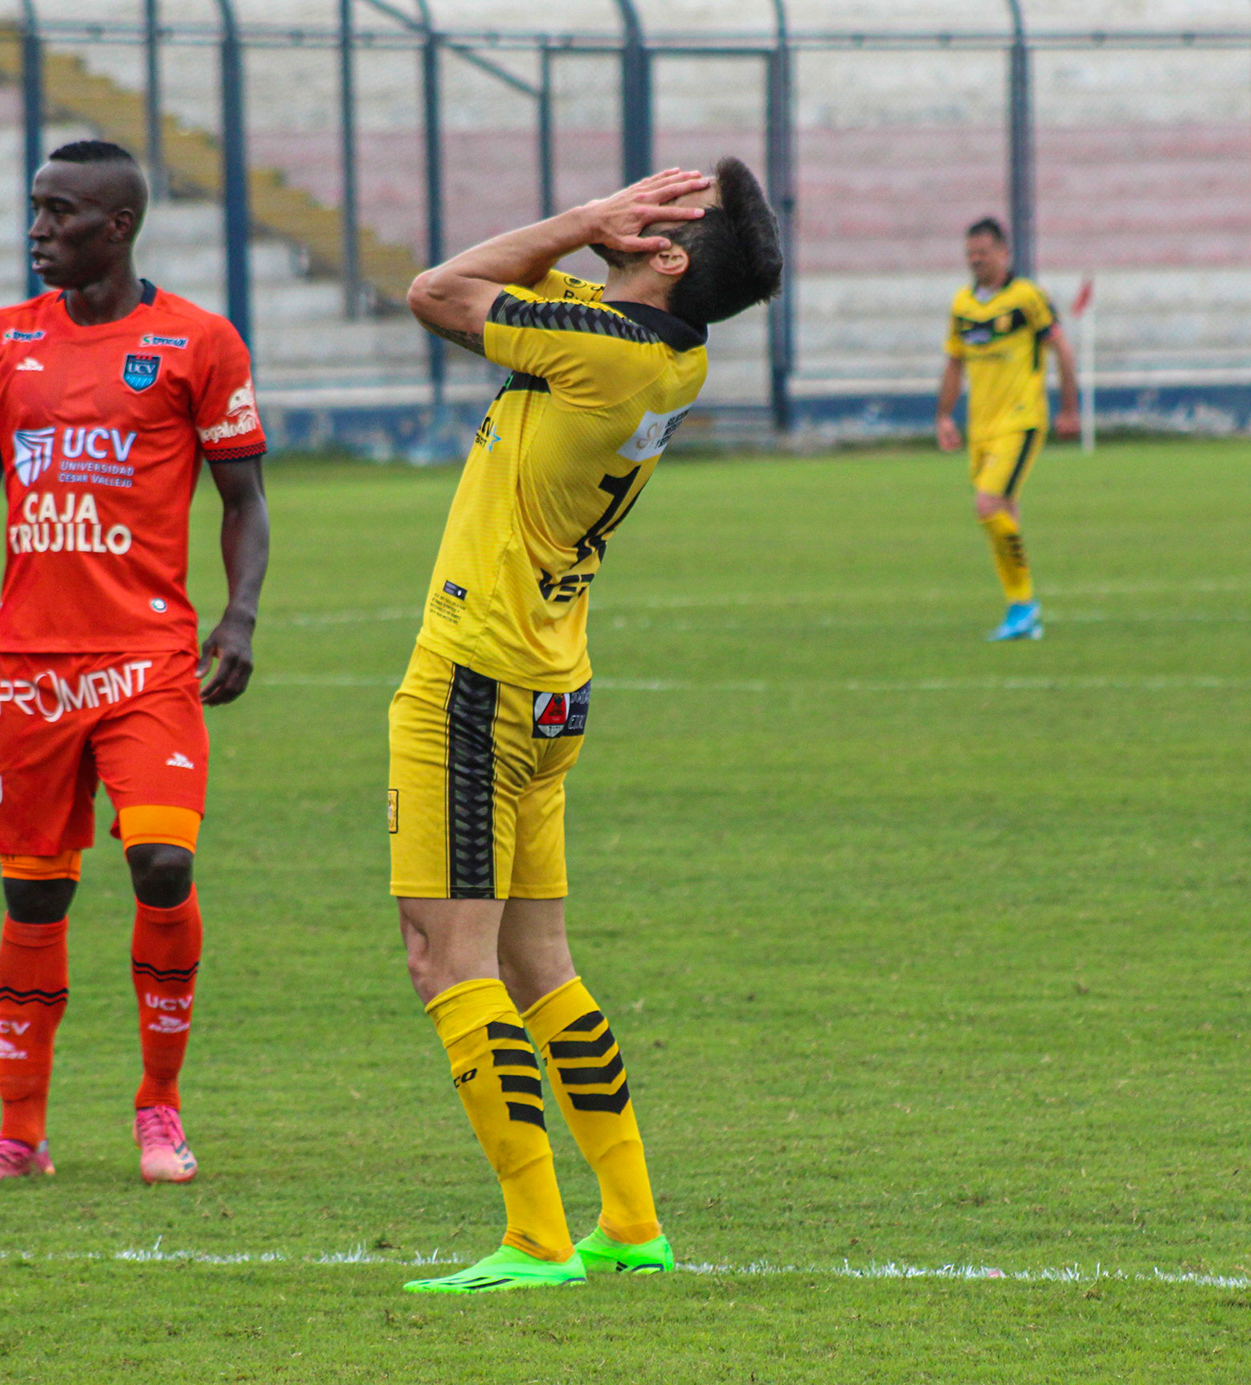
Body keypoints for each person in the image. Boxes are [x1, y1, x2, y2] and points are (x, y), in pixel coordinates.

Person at [387, 160, 781, 1293]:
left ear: (670, 256)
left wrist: (578, 221)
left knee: (447, 960)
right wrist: (599, 235)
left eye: (673, 211)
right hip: (551, 680)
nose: (646, 202)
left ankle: (535, 1237)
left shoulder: (601, 347)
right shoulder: (662, 348)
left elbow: (433, 290)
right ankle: (630, 1219)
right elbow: (496, 292)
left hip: (477, 678)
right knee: (538, 961)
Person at [0, 140, 270, 1188]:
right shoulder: (1, 341)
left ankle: (159, 1107)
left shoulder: (198, 342)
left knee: (163, 862)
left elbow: (245, 499)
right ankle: (20, 1132)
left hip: (147, 657)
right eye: (35, 209)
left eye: (58, 212)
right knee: (34, 900)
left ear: (116, 226)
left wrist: (239, 618)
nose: (37, 229)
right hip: (32, 666)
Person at [934, 217, 1080, 642]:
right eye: (970, 253)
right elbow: (954, 362)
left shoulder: (1026, 298)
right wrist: (944, 416)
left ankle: (1023, 605)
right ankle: (1023, 613)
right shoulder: (963, 305)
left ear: (1004, 252)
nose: (976, 260)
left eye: (984, 252)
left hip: (1021, 420)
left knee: (987, 505)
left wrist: (1069, 409)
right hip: (981, 427)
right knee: (1003, 513)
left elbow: (1061, 349)